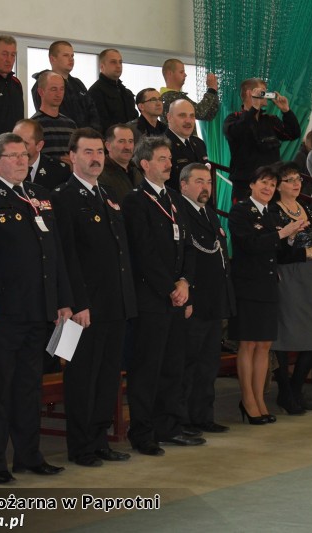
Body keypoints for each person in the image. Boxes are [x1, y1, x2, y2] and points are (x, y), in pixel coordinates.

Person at [0, 133, 72, 484]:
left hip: (38, 309)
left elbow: (54, 253)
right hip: (3, 312)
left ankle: (29, 455)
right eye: (13, 156)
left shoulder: (39, 195)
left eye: (24, 155)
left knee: (29, 388)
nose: (21, 161)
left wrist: (62, 300)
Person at [51, 128, 137, 467]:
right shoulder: (63, 197)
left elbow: (120, 252)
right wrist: (77, 303)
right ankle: (81, 445)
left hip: (114, 303)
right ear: (72, 156)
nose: (95, 158)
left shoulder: (109, 194)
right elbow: (66, 256)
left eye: (99, 151)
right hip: (83, 308)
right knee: (81, 377)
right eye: (88, 152)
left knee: (107, 375)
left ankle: (100, 439)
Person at [122, 135, 202, 456]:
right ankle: (142, 432)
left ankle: (168, 426)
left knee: (173, 365)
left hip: (176, 297)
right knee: (147, 369)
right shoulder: (135, 201)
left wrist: (185, 282)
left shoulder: (174, 199)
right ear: (145, 164)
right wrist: (170, 287)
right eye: (162, 159)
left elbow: (188, 246)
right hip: (151, 299)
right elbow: (144, 253)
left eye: (170, 158)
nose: (169, 164)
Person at [228, 165, 306, 424]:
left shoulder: (271, 214)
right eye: (263, 182)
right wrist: (282, 233)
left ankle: (259, 399)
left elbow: (279, 251)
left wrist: (294, 238)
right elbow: (249, 245)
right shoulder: (240, 211)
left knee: (264, 345)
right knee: (248, 344)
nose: (268, 188)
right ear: (252, 184)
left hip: (269, 286)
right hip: (248, 286)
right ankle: (248, 399)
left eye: (272, 185)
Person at [178, 163, 235, 433]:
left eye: (209, 182)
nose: (206, 187)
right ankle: (183, 419)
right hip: (194, 300)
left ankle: (203, 415)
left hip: (213, 300)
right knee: (188, 363)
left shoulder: (209, 213)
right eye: (199, 181)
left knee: (208, 363)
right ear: (184, 185)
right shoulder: (180, 212)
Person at [269, 162, 312, 413]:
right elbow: (277, 250)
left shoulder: (308, 209)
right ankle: (285, 391)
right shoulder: (273, 211)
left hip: (310, 275)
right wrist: (305, 251)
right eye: (289, 180)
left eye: (298, 179)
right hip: (287, 274)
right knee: (284, 334)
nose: (296, 184)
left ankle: (295, 386)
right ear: (277, 186)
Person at [224, 78, 301, 202]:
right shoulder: (234, 118)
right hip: (245, 185)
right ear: (250, 93)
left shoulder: (269, 120)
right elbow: (236, 132)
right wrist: (254, 108)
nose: (267, 95)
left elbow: (293, 134)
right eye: (263, 91)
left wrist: (286, 111)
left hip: (271, 184)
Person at [32, 41, 101, 131]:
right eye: (65, 55)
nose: (71, 59)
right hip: (60, 133)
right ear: (52, 59)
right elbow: (49, 114)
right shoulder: (43, 84)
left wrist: (92, 133)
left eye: (72, 56)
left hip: (85, 136)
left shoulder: (78, 84)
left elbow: (92, 110)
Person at [88, 49, 137, 134]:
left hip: (130, 138)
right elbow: (99, 124)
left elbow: (134, 120)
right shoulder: (95, 92)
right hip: (110, 139)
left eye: (120, 62)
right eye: (113, 62)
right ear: (102, 66)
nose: (118, 66)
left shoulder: (126, 93)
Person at [12, 118, 70, 190]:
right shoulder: (4, 167)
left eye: (24, 144)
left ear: (39, 146)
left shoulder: (59, 171)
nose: (16, 148)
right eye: (13, 142)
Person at [32, 71, 77, 162]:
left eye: (62, 89)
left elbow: (77, 153)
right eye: (53, 89)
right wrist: (59, 162)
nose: (58, 94)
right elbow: (31, 158)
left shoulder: (71, 125)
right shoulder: (33, 126)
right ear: (41, 92)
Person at [165, 99, 208, 190]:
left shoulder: (199, 143)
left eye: (192, 116)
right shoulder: (161, 145)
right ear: (169, 117)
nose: (188, 121)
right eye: (182, 115)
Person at [160, 58, 219, 123]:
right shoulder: (170, 97)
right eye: (181, 72)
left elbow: (208, 115)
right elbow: (200, 112)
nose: (185, 75)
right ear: (170, 73)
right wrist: (211, 90)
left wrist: (214, 91)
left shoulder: (174, 96)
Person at [98, 124, 143, 198]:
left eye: (130, 141)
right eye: (121, 141)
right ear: (108, 146)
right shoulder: (98, 174)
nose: (127, 147)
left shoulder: (139, 171)